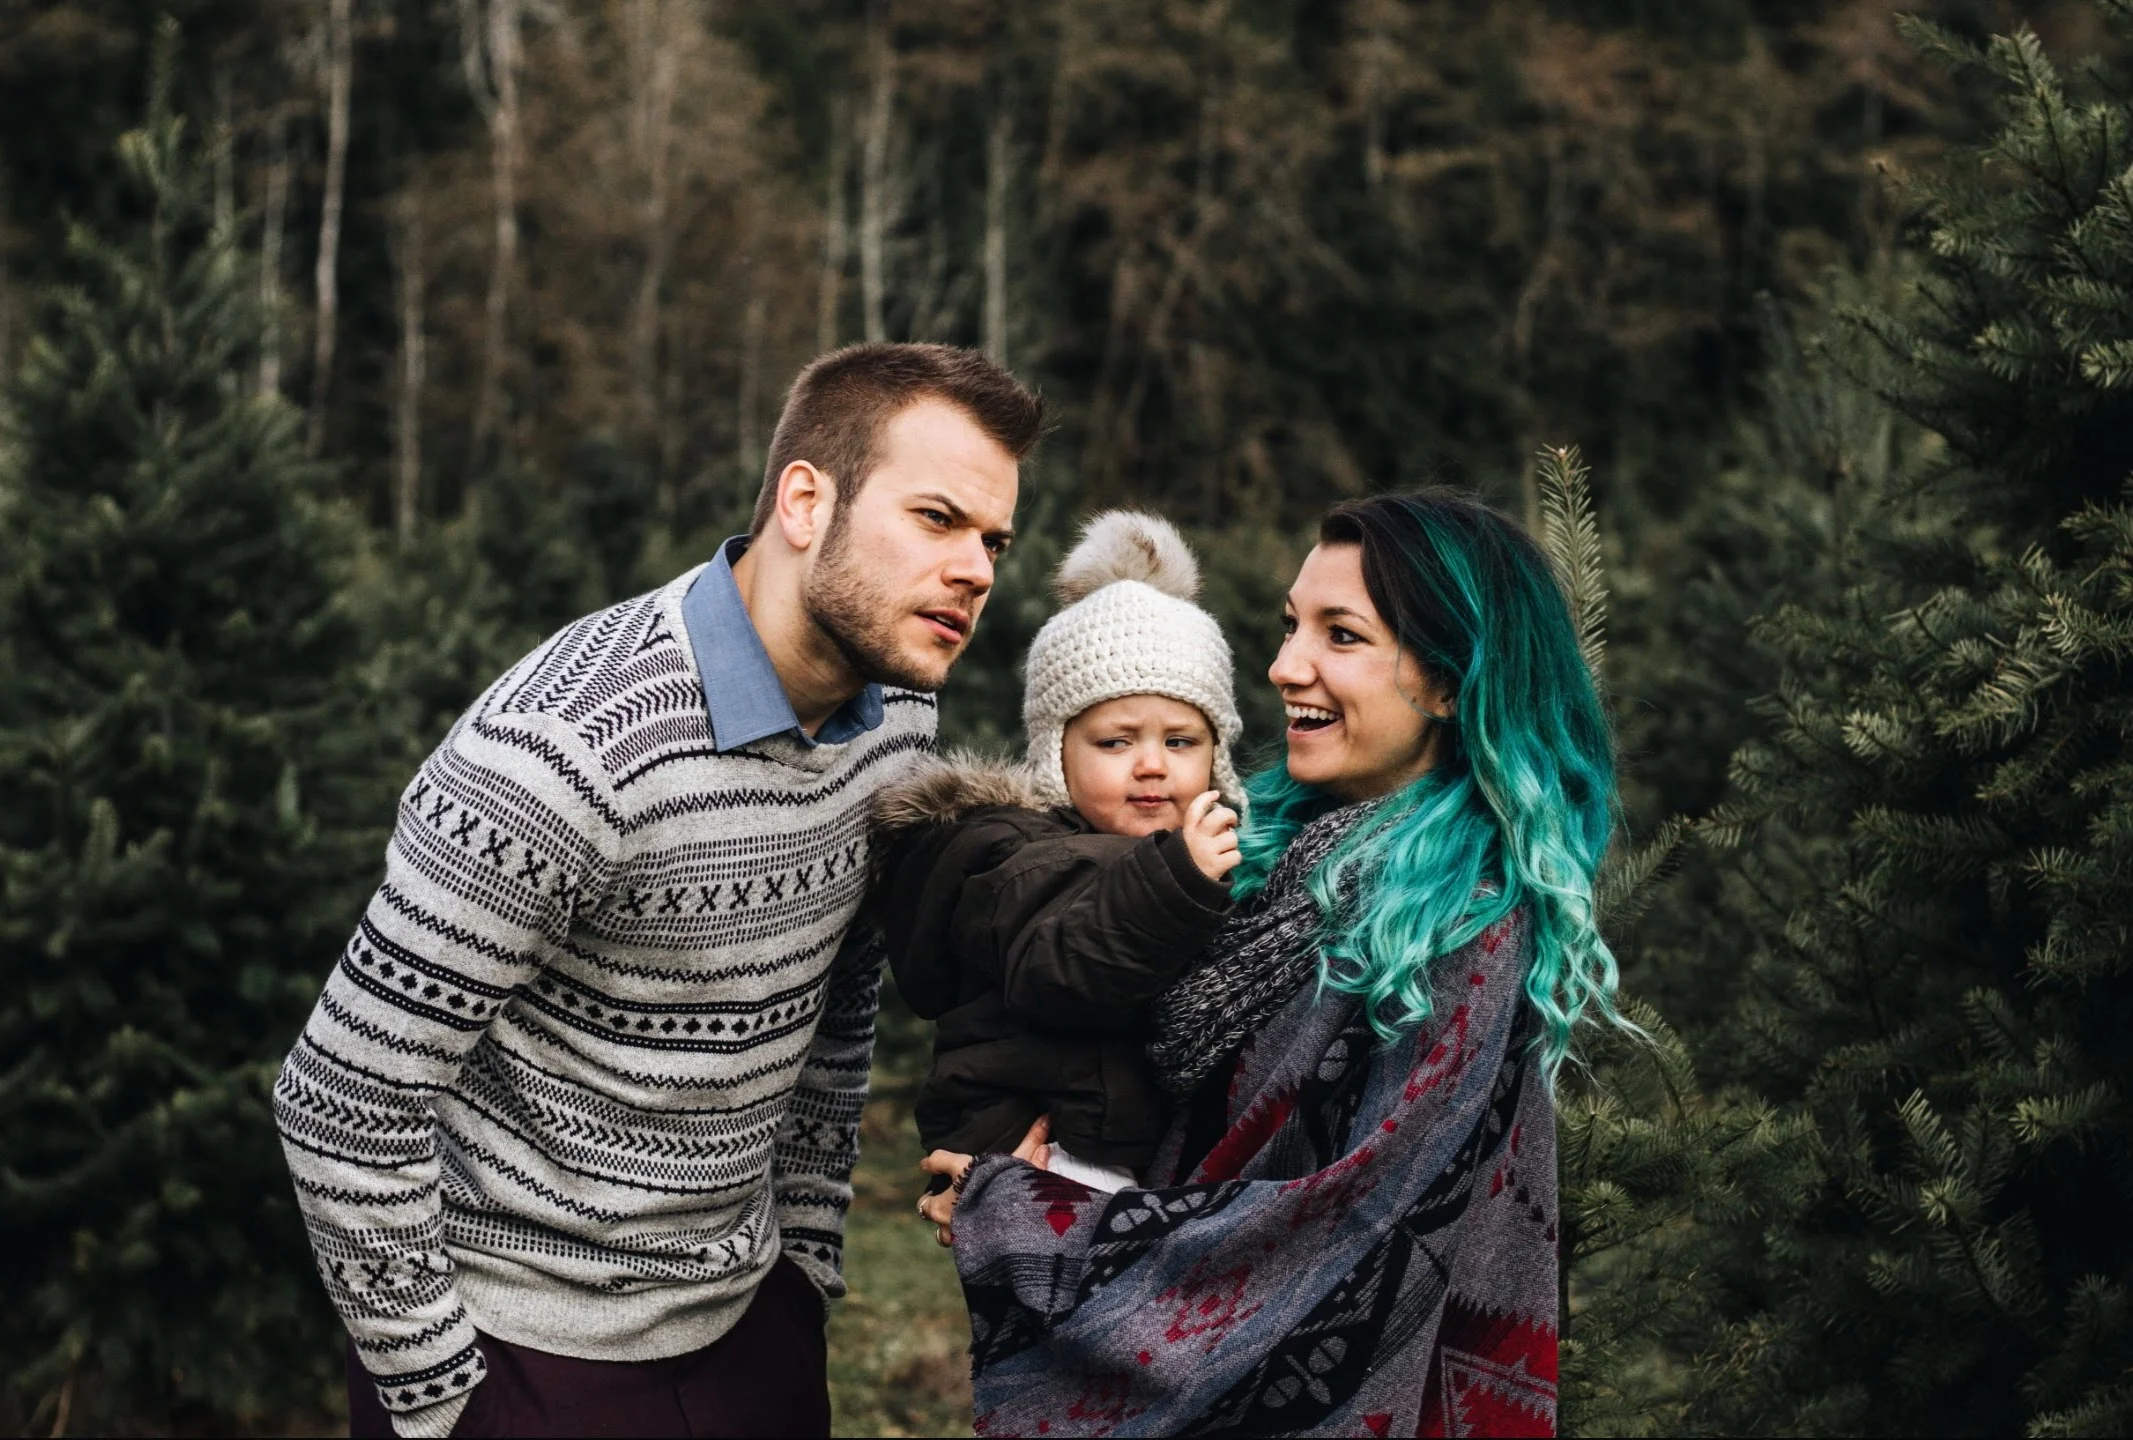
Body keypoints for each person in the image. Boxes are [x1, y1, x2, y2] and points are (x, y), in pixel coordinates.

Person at [274, 343, 1042, 1439]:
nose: (977, 568)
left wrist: (806, 1274)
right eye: (938, 519)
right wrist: (442, 1397)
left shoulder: (899, 729)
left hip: (748, 1340)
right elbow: (339, 1102)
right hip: (525, 1365)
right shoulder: (557, 754)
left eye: (994, 540)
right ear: (805, 500)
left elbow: (838, 1008)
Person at [918, 490, 1624, 1438]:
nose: (1284, 666)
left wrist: (1028, 1220)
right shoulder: (1256, 862)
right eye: (1291, 626)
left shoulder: (1463, 930)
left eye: (1340, 635)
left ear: (1450, 682)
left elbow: (1349, 1236)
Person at [870, 512, 1245, 1203]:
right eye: (1115, 742)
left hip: (1109, 1145)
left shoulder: (1192, 857)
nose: (1152, 766)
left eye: (1182, 741)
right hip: (1045, 1145)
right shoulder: (1025, 861)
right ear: (1055, 757)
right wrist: (1177, 883)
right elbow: (1065, 969)